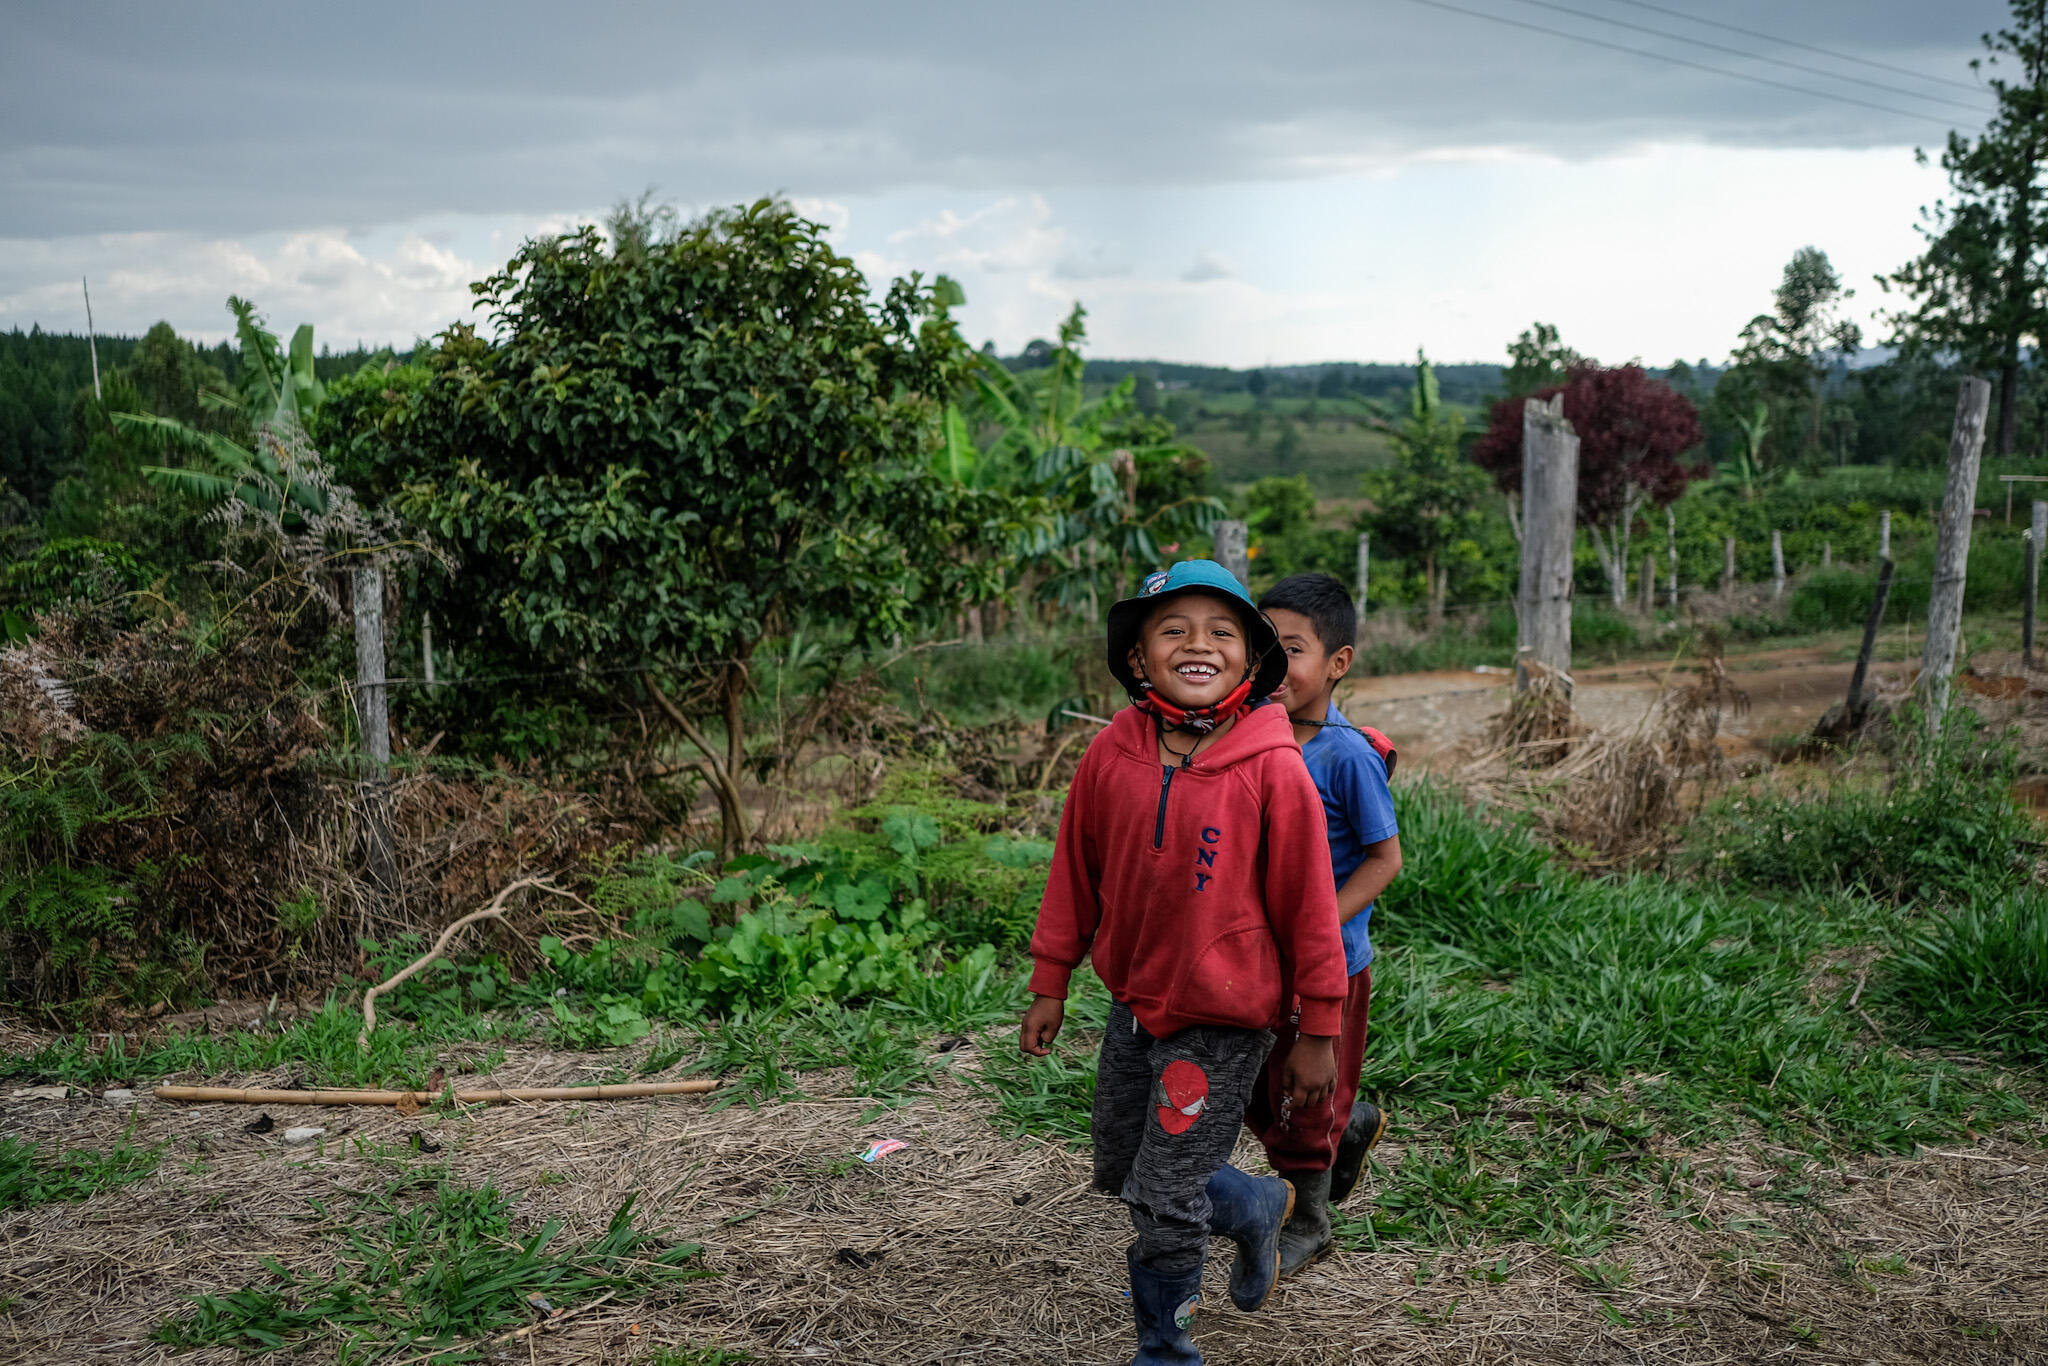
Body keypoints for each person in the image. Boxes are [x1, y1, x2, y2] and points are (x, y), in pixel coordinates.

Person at [1020, 559, 1349, 1366]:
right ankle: (1248, 1202)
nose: (1196, 645)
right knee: (1121, 1166)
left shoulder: (1274, 769)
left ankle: (1165, 1349)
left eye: (1221, 632)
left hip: (1224, 1018)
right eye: (1173, 630)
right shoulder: (1110, 755)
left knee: (1164, 1200)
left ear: (1253, 659)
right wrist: (1051, 978)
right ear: (1138, 657)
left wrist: (1318, 1027)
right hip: (1136, 1002)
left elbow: (1310, 908)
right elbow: (1075, 873)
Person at [1245, 571, 1403, 1275]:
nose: (1272, 665)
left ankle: (1309, 1216)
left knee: (1301, 1095)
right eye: (1262, 648)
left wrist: (1312, 928)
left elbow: (1383, 859)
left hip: (1325, 963)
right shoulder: (1245, 737)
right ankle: (1350, 1124)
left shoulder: (1345, 756)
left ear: (1337, 663)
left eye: (1292, 650)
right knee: (1251, 1090)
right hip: (1252, 959)